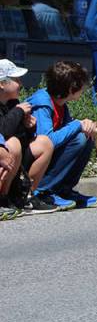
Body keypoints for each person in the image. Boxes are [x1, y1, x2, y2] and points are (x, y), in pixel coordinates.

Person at [25, 61, 97, 209]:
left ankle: (63, 190)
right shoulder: (43, 102)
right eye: (82, 85)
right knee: (79, 138)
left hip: (45, 156)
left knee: (86, 136)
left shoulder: (60, 103)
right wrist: (77, 124)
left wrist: (83, 126)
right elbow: (47, 140)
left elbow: (64, 132)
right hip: (29, 159)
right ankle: (43, 191)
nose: (84, 88)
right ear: (72, 88)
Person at [0, 59, 57, 214]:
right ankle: (3, 197)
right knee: (12, 144)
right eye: (16, 80)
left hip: (12, 161)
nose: (21, 83)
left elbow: (22, 138)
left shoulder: (12, 103)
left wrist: (28, 127)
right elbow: (3, 132)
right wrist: (18, 113)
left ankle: (25, 195)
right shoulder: (16, 108)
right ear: (2, 84)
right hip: (3, 155)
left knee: (44, 142)